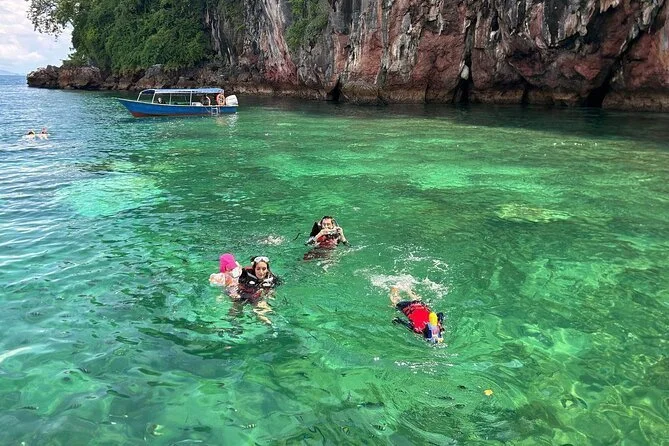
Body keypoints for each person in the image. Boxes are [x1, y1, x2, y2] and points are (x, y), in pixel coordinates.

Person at [236, 256, 281, 324]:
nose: (261, 272)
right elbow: (238, 285)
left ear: (267, 269)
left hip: (259, 298)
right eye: (258, 269)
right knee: (234, 311)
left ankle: (272, 326)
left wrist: (269, 294)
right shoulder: (245, 274)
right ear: (254, 269)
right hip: (243, 295)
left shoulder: (272, 278)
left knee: (260, 311)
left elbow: (273, 291)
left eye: (264, 269)